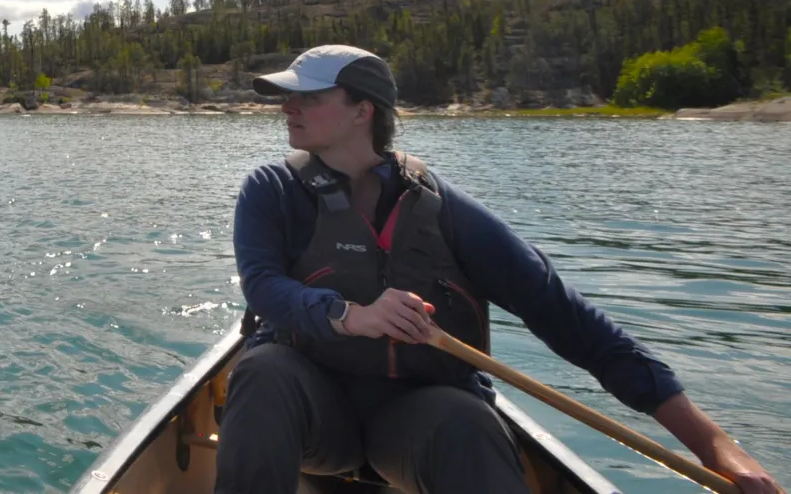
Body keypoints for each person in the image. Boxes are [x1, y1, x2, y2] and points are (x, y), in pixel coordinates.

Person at [217, 44, 780, 494]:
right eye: (287, 99)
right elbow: (266, 289)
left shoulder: (445, 211)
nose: (287, 108)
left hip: (415, 420)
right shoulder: (272, 190)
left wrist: (712, 445)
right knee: (263, 371)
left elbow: (566, 317)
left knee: (467, 422)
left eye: (308, 98)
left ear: (363, 110)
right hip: (315, 416)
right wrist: (349, 316)